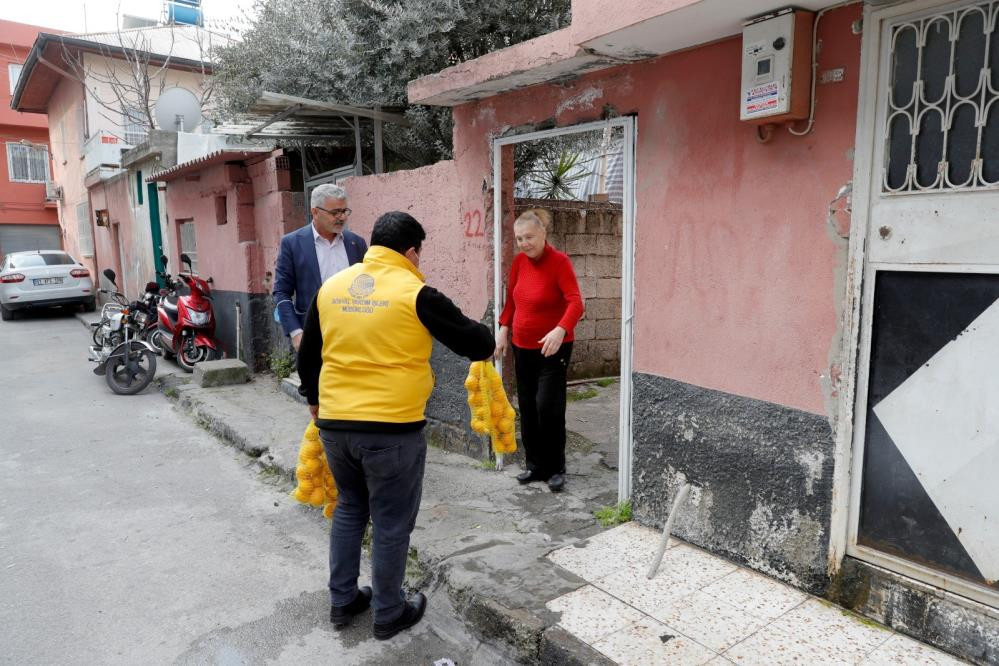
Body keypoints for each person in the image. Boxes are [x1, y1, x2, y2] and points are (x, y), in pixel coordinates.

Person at [297, 211, 495, 639]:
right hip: (390, 432)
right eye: (418, 254)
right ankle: (389, 612)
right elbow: (479, 343)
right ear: (410, 251)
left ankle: (343, 600)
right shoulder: (415, 292)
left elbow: (308, 354)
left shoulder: (332, 287)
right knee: (390, 520)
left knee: (350, 508)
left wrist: (315, 402)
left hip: (335, 426)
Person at [494, 209, 584, 493]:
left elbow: (575, 303)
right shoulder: (519, 263)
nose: (524, 243)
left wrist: (561, 329)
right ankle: (534, 466)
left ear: (543, 233)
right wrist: (503, 329)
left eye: (529, 237)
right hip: (522, 347)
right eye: (519, 238)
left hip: (553, 347)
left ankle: (556, 467)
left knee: (549, 406)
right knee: (529, 407)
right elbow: (511, 302)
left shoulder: (560, 263)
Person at [274, 183, 367, 351]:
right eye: (335, 212)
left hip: (355, 335)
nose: (342, 217)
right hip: (313, 336)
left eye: (344, 211)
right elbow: (281, 292)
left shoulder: (356, 243)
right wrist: (296, 333)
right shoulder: (292, 243)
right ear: (315, 212)